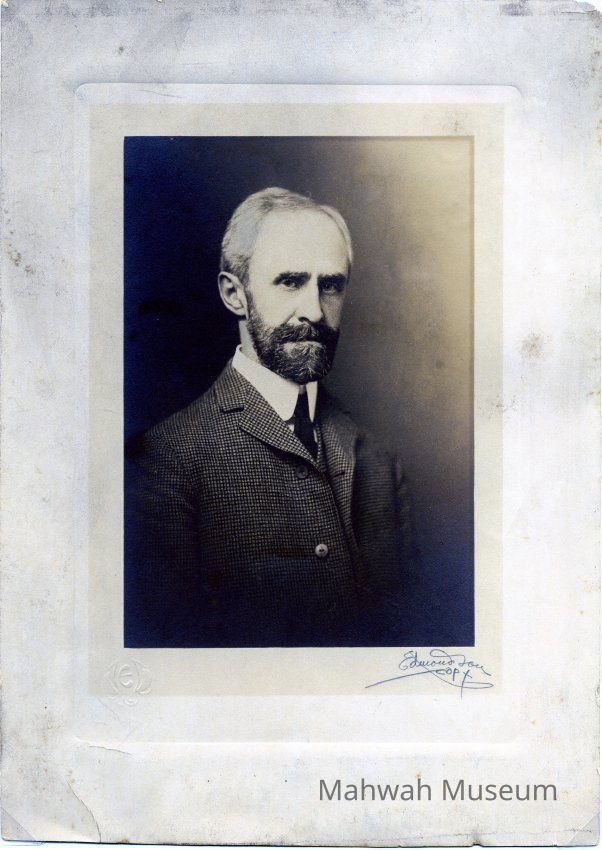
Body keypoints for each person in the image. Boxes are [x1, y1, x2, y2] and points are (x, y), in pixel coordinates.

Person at [125, 187, 417, 647]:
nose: (314, 311)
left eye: (330, 285)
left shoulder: (379, 459)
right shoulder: (162, 462)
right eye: (290, 282)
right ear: (234, 295)